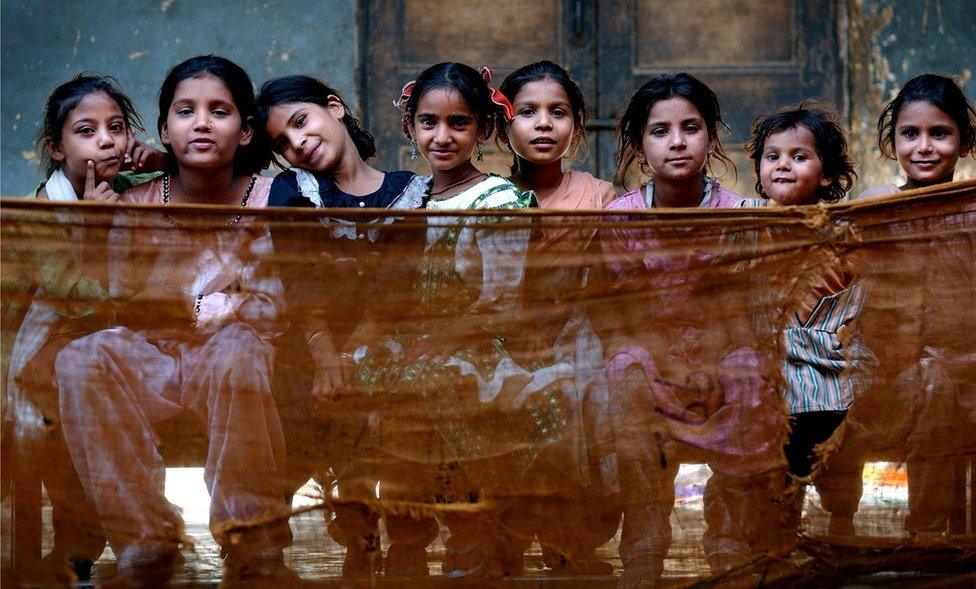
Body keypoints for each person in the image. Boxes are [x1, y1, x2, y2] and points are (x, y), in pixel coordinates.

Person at [53, 55, 295, 586]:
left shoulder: (272, 200)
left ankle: (251, 541)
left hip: (235, 357)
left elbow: (270, 307)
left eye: (219, 111)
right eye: (185, 112)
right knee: (80, 359)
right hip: (151, 356)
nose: (202, 123)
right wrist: (205, 302)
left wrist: (197, 308)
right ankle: (145, 539)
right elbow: (127, 300)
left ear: (246, 129)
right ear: (165, 129)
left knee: (238, 348)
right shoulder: (136, 201)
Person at [351, 61, 547, 578]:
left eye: (459, 123)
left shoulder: (498, 200)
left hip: (475, 344)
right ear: (410, 127)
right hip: (408, 344)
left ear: (484, 129)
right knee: (377, 391)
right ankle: (405, 542)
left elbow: (499, 301)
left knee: (429, 389)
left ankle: (470, 538)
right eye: (428, 122)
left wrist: (436, 340)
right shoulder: (406, 199)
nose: (442, 136)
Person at [599, 73, 785, 587]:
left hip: (721, 355)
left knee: (750, 371)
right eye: (659, 131)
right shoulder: (621, 220)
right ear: (639, 145)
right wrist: (665, 362)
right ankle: (644, 544)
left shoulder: (739, 215)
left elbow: (741, 308)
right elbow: (619, 311)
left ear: (711, 137)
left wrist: (709, 364)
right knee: (624, 370)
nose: (676, 142)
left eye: (690, 127)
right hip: (650, 357)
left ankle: (731, 540)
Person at [255, 74, 426, 577]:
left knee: (406, 397)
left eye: (301, 122)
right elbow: (301, 276)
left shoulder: (410, 192)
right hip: (310, 343)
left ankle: (409, 544)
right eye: (281, 143)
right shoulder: (294, 191)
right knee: (301, 398)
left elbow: (396, 286)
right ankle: (349, 532)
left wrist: (355, 352)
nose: (297, 143)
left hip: (388, 337)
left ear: (335, 108)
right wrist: (325, 353)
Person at [2, 74, 163, 580]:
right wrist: (92, 229)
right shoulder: (36, 213)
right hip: (44, 341)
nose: (106, 140)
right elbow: (73, 300)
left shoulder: (138, 189)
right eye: (87, 130)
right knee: (56, 406)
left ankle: (112, 539)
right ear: (56, 146)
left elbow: (195, 180)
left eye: (116, 127)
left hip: (119, 334)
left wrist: (164, 162)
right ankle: (80, 542)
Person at [497, 60, 620, 575]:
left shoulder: (600, 197)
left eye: (558, 112)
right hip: (500, 337)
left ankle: (571, 538)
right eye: (528, 112)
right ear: (502, 124)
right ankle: (501, 534)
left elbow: (613, 288)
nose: (544, 124)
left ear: (577, 123)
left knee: (584, 379)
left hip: (576, 335)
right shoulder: (485, 197)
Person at [743, 102, 877, 536]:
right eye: (772, 156)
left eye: (799, 157)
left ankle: (842, 516)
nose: (783, 165)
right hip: (772, 356)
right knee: (783, 434)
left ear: (825, 174)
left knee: (840, 433)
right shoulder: (744, 223)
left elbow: (863, 294)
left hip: (834, 354)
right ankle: (782, 524)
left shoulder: (846, 231)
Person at [858, 74, 975, 198]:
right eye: (910, 134)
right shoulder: (873, 204)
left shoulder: (971, 207)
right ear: (894, 145)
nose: (924, 147)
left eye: (939, 133)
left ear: (964, 143)